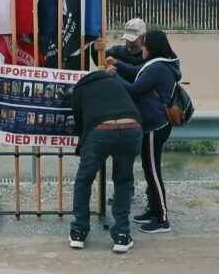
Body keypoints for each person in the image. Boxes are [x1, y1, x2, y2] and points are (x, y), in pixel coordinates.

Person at [108, 30, 181, 233]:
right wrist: (118, 63)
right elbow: (136, 72)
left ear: (153, 48)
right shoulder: (159, 63)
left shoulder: (158, 67)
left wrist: (114, 77)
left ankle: (162, 218)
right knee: (150, 170)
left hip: (155, 125)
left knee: (153, 172)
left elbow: (133, 89)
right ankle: (153, 211)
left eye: (145, 46)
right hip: (155, 123)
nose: (143, 49)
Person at [69, 70, 143, 253]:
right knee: (123, 180)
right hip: (131, 128)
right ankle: (122, 236)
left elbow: (80, 125)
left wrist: (83, 148)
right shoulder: (114, 81)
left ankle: (79, 231)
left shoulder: (80, 89)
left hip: (100, 130)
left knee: (84, 180)